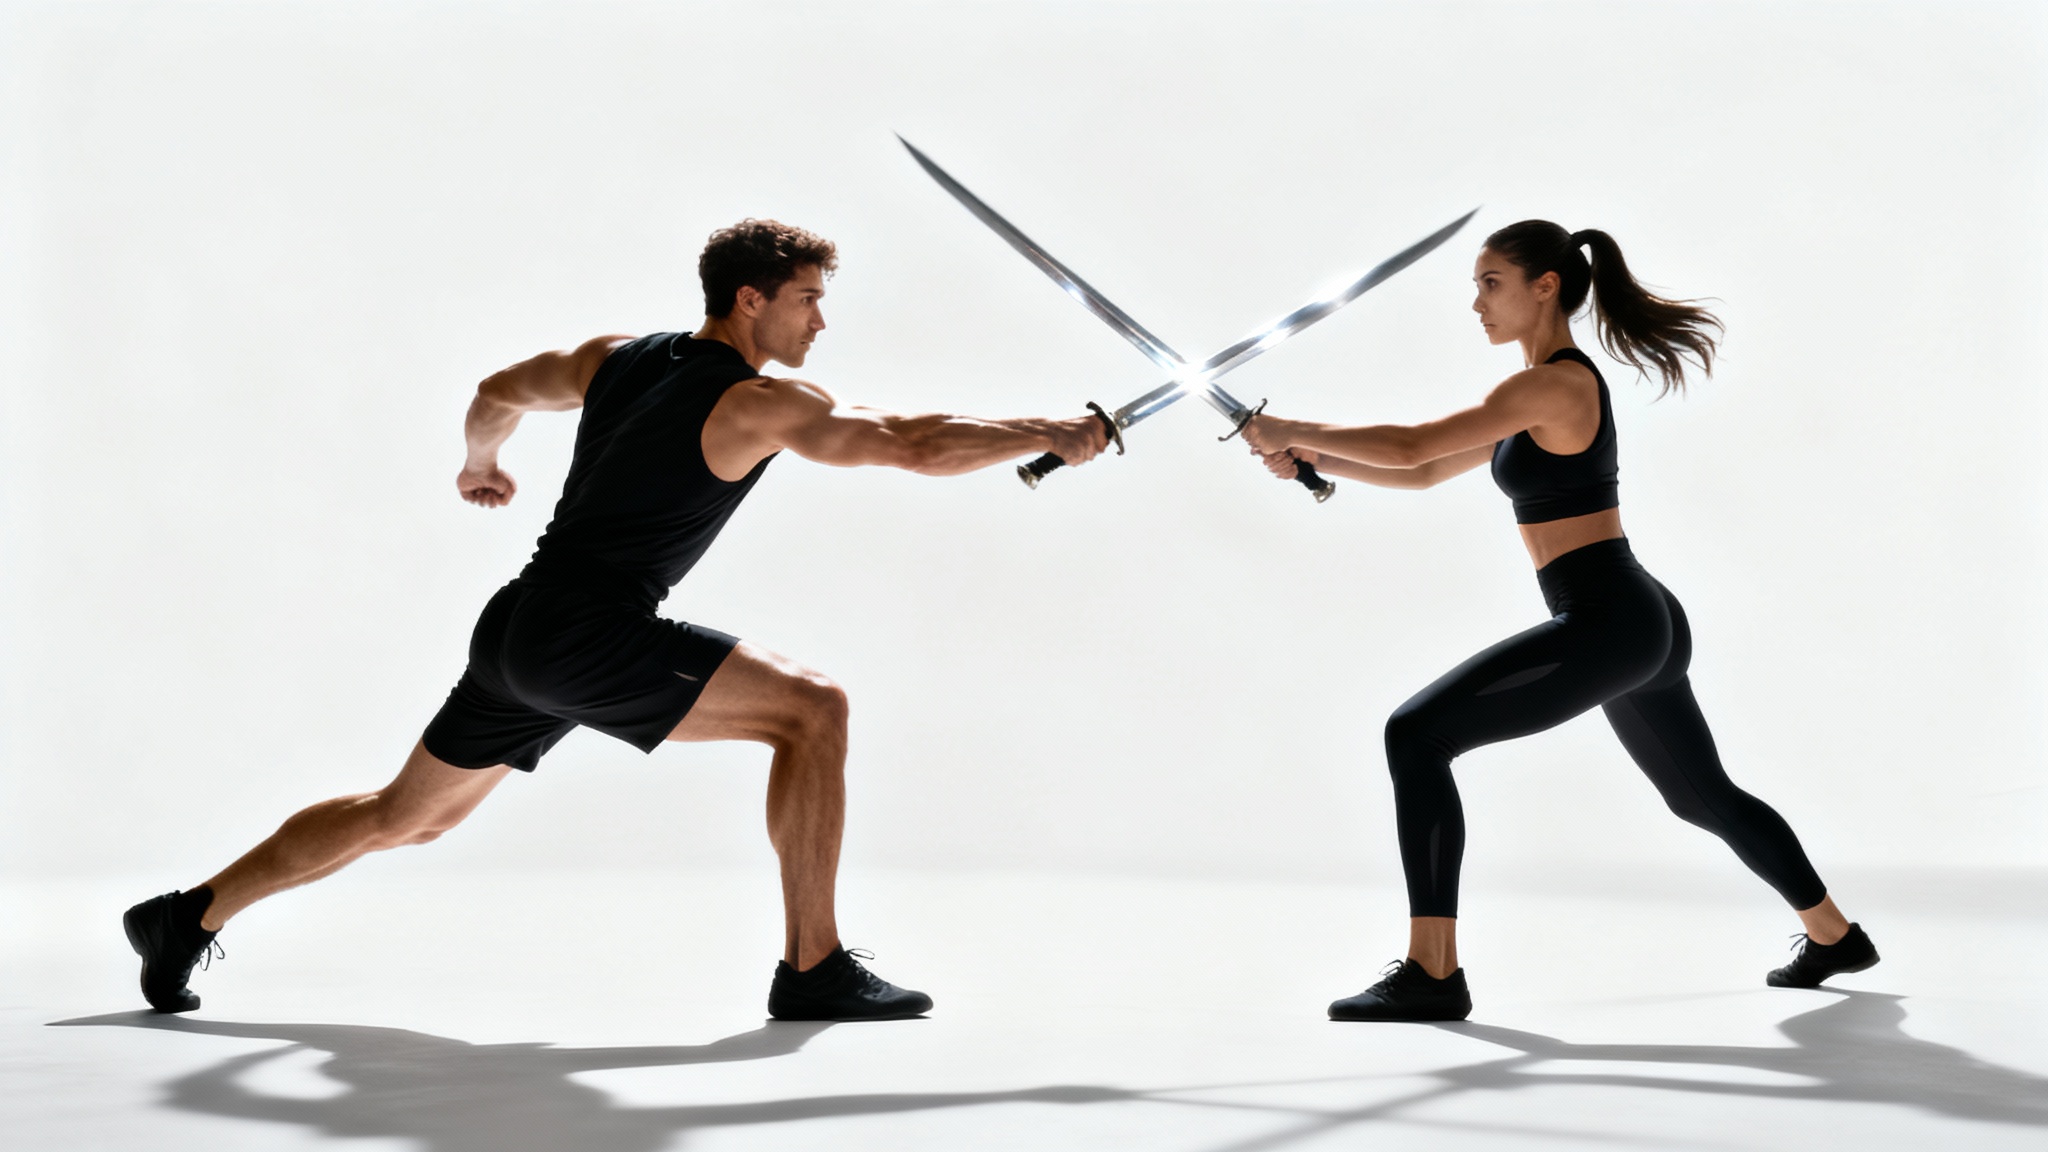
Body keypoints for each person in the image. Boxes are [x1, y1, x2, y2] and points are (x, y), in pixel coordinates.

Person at [123, 219, 1109, 1021]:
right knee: (813, 711)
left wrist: (479, 464)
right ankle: (813, 968)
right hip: (584, 635)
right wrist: (1054, 432)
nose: (820, 320)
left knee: (402, 817)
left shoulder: (614, 358)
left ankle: (185, 916)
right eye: (807, 298)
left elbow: (496, 391)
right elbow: (907, 444)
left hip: (518, 627)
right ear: (750, 299)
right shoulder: (758, 402)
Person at [1240, 220, 1879, 1022]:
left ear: (1545, 287)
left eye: (1491, 283)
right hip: (1635, 617)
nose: (1477, 303)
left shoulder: (1553, 385)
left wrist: (1291, 428)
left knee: (1416, 735)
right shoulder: (1534, 393)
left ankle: (1433, 972)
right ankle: (1834, 936)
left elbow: (1410, 445)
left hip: (1609, 618)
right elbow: (1428, 469)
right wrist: (1316, 460)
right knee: (1700, 795)